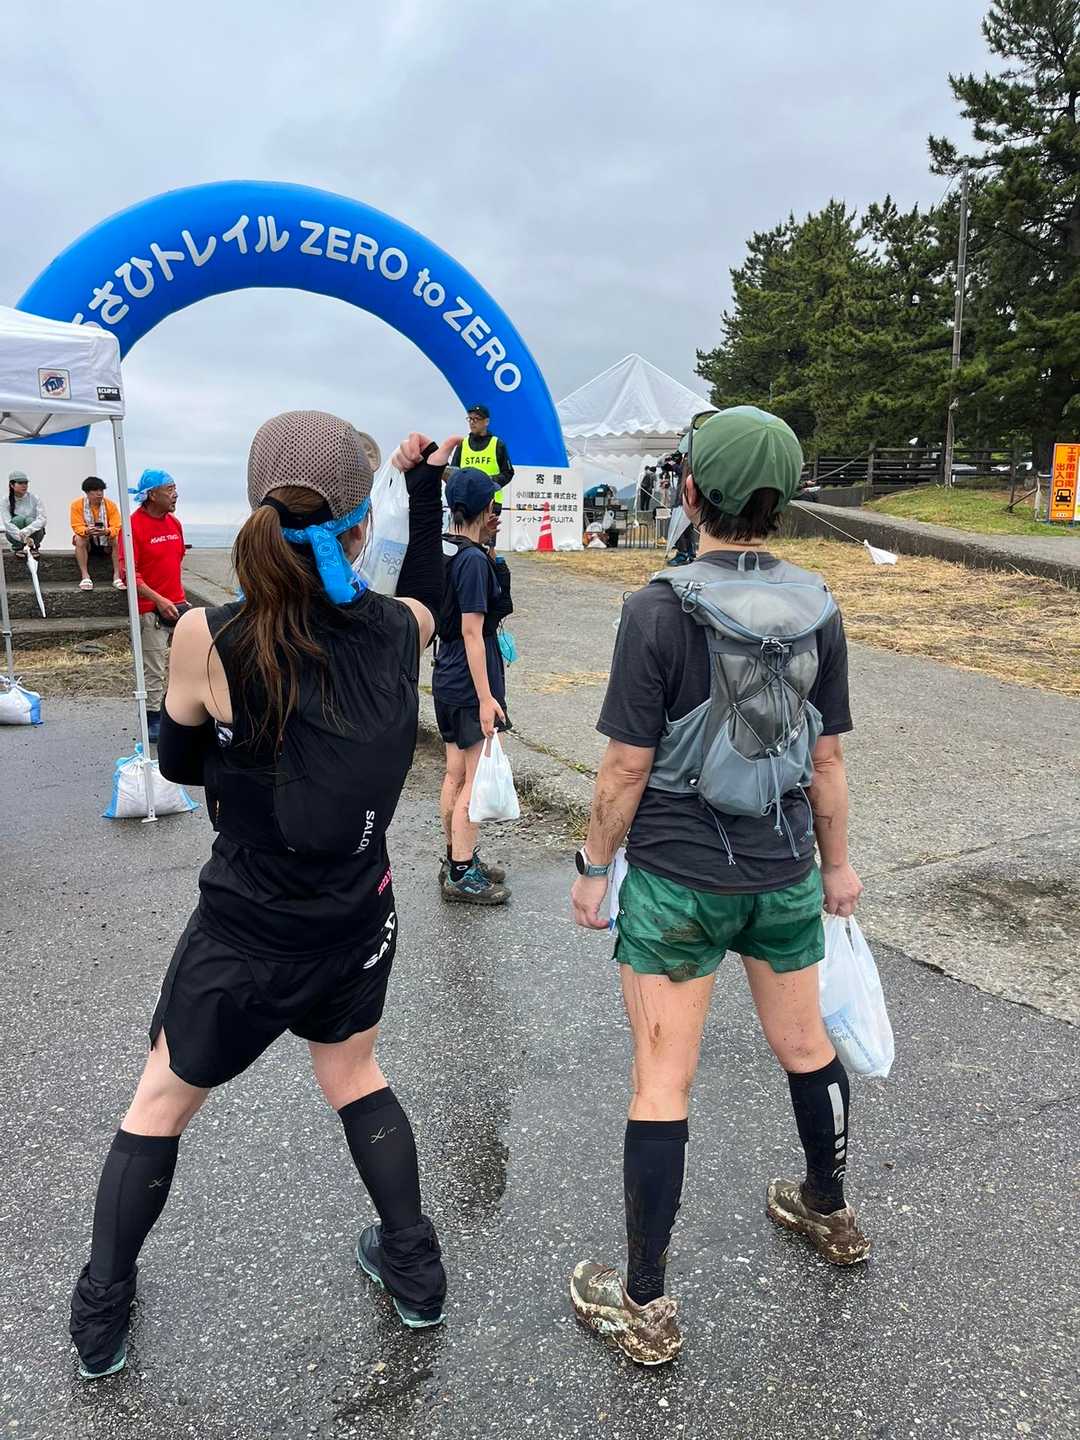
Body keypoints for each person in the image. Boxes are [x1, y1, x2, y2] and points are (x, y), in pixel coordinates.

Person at [68, 411, 455, 1381]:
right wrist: (427, 490)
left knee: (161, 1100)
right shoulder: (399, 632)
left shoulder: (209, 635)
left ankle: (101, 1318)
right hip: (357, 913)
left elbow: (178, 760)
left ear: (255, 511)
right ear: (358, 526)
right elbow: (428, 591)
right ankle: (415, 1271)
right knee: (355, 1074)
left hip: (246, 923)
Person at [567, 406, 866, 1367]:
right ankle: (829, 1210)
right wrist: (837, 865)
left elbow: (625, 768)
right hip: (783, 868)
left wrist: (592, 867)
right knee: (806, 1045)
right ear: (783, 500)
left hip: (679, 878)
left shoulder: (657, 611)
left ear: (690, 491)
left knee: (663, 1080)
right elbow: (826, 761)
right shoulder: (819, 606)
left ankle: (645, 1302)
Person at [433, 468, 512, 906]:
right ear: (484, 509)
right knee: (475, 780)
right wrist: (486, 698)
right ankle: (462, 872)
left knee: (455, 773)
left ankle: (454, 857)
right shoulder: (473, 562)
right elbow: (472, 631)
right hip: (469, 680)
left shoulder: (445, 548)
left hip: (445, 673)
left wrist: (489, 546)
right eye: (493, 505)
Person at [117, 470, 187, 743]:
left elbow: (176, 560)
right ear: (152, 495)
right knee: (154, 665)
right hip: (150, 609)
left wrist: (175, 598)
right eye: (170, 489)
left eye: (175, 488)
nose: (175, 494)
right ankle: (152, 717)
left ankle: (179, 712)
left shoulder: (175, 523)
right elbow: (129, 574)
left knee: (184, 663)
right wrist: (158, 599)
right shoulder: (132, 527)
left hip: (178, 603)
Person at [451, 404, 514, 513]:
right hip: (466, 504)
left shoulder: (497, 444)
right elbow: (453, 473)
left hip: (491, 502)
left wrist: (488, 481)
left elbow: (508, 473)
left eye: (476, 419)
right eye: (470, 419)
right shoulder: (463, 444)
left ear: (486, 422)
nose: (472, 422)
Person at [70, 476, 124, 590]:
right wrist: (87, 530)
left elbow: (117, 526)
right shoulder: (77, 505)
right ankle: (85, 576)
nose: (99, 493)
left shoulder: (111, 505)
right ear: (87, 492)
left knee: (116, 537)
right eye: (95, 490)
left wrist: (106, 531)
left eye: (101, 490)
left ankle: (117, 576)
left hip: (106, 542)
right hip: (89, 542)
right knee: (79, 538)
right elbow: (76, 526)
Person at [4, 470, 46, 555]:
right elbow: (7, 523)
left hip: (33, 534)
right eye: (20, 483)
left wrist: (26, 531)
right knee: (18, 520)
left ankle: (33, 547)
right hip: (16, 535)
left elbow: (42, 519)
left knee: (30, 520)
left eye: (26, 483)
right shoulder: (5, 500)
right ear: (12, 485)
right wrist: (22, 537)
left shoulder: (35, 498)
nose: (24, 485)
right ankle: (18, 548)